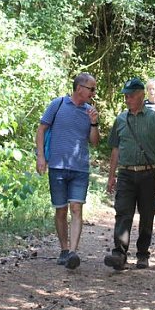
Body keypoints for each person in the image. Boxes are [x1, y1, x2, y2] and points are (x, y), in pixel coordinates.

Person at [105, 78, 155, 270]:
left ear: (141, 96)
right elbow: (115, 150)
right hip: (126, 174)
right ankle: (119, 253)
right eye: (126, 96)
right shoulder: (120, 120)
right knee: (122, 214)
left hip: (148, 174)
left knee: (147, 215)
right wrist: (111, 176)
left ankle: (143, 253)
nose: (127, 99)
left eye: (131, 96)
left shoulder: (154, 119)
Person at [35, 72, 99, 270]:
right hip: (57, 166)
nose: (94, 93)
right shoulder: (58, 104)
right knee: (61, 209)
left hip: (80, 168)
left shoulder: (90, 111)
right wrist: (40, 156)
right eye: (92, 89)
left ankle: (73, 252)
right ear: (79, 88)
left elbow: (95, 142)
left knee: (76, 208)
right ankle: (64, 249)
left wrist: (95, 123)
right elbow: (41, 129)